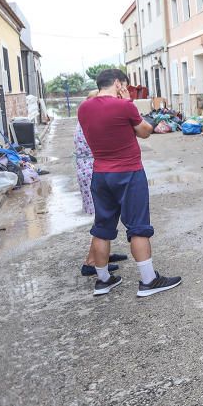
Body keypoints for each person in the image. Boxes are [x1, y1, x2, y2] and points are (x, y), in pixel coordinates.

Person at [77, 69, 182, 297]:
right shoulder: (124, 106)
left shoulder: (84, 108)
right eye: (124, 85)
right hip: (128, 172)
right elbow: (145, 131)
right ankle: (148, 280)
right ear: (118, 83)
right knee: (138, 227)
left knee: (102, 227)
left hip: (100, 173)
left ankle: (103, 280)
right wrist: (127, 102)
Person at [75, 90, 127, 277]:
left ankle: (103, 254)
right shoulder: (92, 121)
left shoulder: (87, 117)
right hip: (93, 168)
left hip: (91, 167)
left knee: (105, 216)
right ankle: (91, 261)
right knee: (103, 218)